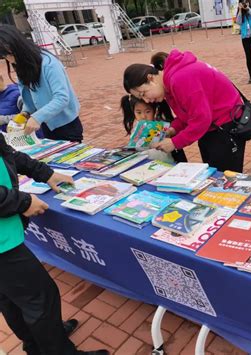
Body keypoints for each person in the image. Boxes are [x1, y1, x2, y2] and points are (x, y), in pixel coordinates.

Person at [0, 134, 109, 355]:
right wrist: (23, 202)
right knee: (40, 297)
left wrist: (46, 173)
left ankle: (38, 343)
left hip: (6, 230)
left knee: (12, 298)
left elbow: (8, 154)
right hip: (3, 242)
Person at [123, 50, 247, 172]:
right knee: (213, 172)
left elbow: (202, 119)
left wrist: (174, 143)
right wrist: (173, 129)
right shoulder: (168, 84)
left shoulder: (180, 79)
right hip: (212, 129)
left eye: (144, 93)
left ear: (150, 78)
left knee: (224, 178)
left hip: (225, 127)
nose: (147, 100)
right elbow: (189, 114)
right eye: (141, 98)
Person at [0, 26, 83, 142]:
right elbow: (29, 98)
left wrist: (37, 117)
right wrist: (25, 113)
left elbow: (62, 98)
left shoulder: (49, 63)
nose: (8, 59)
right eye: (4, 56)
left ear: (17, 47)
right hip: (45, 123)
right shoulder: (21, 64)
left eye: (8, 54)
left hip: (66, 124)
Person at [120, 95, 187, 163]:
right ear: (133, 112)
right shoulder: (136, 128)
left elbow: (163, 154)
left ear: (154, 110)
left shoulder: (162, 128)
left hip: (165, 164)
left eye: (148, 111)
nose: (143, 116)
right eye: (138, 112)